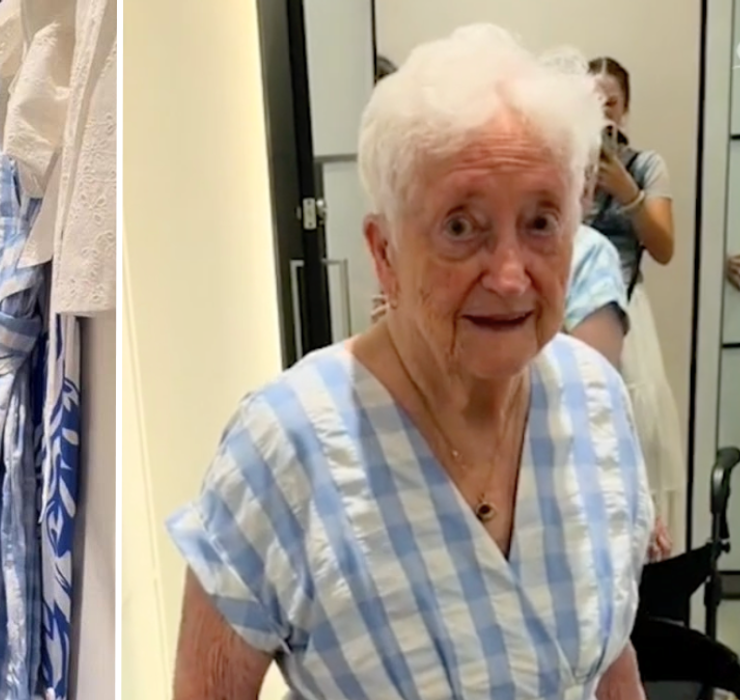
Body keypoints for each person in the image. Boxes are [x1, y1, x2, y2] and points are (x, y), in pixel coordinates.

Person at [168, 25, 651, 699]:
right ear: (384, 253)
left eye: (541, 221)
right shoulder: (283, 448)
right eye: (460, 226)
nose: (510, 276)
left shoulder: (596, 402)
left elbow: (606, 656)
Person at [588, 55, 686, 557]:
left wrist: (627, 193)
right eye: (591, 102)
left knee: (637, 431)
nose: (603, 113)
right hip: (573, 316)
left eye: (611, 104)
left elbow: (665, 247)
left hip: (629, 311)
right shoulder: (563, 165)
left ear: (625, 110)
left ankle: (647, 551)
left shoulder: (647, 165)